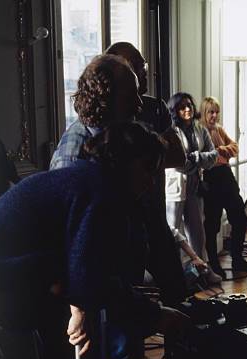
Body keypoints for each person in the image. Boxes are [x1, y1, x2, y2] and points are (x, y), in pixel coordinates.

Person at [0, 122, 190, 359]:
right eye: (149, 167)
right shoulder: (98, 190)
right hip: (1, 296)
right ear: (126, 161)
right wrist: (154, 316)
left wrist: (142, 309)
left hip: (15, 292)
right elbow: (87, 279)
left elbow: (90, 272)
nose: (152, 180)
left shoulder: (91, 181)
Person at [49, 54, 187, 306]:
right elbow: (68, 238)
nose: (138, 104)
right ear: (105, 96)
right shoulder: (75, 148)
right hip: (101, 264)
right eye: (131, 95)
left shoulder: (123, 138)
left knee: (176, 298)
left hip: (140, 234)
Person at [165, 92, 222, 283]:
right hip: (174, 188)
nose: (187, 109)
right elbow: (175, 162)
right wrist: (195, 162)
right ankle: (173, 275)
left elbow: (213, 156)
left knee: (198, 233)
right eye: (182, 107)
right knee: (172, 230)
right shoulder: (170, 131)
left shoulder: (200, 129)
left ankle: (203, 271)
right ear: (175, 110)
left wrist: (196, 158)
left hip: (195, 187)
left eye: (189, 105)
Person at [200, 96, 247, 276]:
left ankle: (237, 259)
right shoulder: (199, 131)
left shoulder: (218, 129)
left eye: (217, 112)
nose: (214, 115)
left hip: (225, 175)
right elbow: (206, 157)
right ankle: (214, 264)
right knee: (212, 223)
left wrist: (220, 151)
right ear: (204, 112)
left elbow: (234, 148)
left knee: (239, 217)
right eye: (211, 112)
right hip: (210, 178)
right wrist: (220, 152)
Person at [105, 42, 172, 135]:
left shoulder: (157, 108)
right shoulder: (103, 114)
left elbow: (172, 146)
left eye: (143, 65)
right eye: (135, 66)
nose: (143, 72)